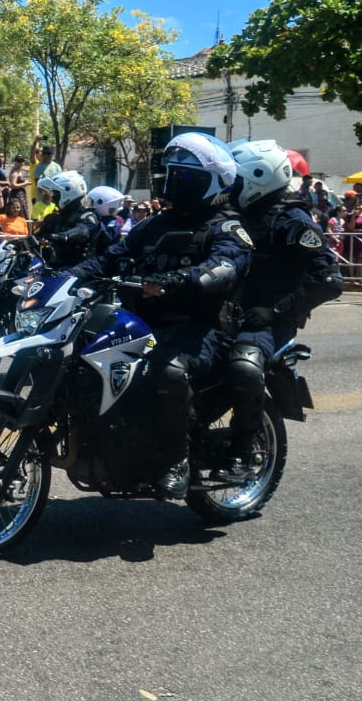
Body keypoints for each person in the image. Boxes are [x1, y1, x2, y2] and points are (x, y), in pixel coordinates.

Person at [70, 133, 252, 498]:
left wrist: (177, 280)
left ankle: (176, 460)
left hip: (202, 331)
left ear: (211, 182)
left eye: (183, 177)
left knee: (167, 370)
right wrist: (68, 276)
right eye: (171, 175)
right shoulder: (155, 224)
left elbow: (226, 266)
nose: (173, 183)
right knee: (79, 356)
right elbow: (112, 256)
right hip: (145, 325)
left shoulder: (225, 226)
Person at [222, 140, 343, 476]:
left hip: (266, 321)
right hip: (225, 312)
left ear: (259, 177)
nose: (232, 186)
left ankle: (242, 450)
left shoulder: (292, 220)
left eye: (238, 180)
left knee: (244, 368)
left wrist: (275, 311)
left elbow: (328, 280)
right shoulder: (233, 215)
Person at [32, 170, 104, 267]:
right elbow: (38, 236)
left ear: (68, 192)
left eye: (55, 193)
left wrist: (62, 236)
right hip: (54, 267)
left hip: (80, 269)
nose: (52, 197)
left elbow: (83, 231)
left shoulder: (88, 217)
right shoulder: (54, 218)